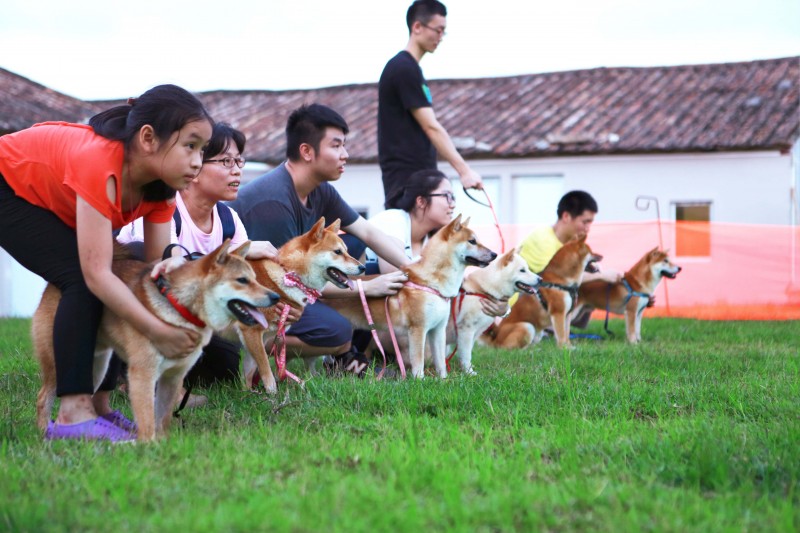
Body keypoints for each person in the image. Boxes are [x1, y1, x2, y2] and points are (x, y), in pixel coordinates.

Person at [0, 84, 214, 442]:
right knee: (82, 279)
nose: (198, 161)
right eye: (190, 146)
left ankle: (100, 406)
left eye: (203, 150)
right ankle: (73, 414)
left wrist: (175, 257)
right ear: (148, 138)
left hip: (51, 199)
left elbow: (153, 259)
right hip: (7, 186)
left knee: (126, 272)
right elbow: (96, 275)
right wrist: (158, 331)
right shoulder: (100, 163)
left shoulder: (161, 186)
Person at [228, 103, 411, 371]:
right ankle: (256, 343)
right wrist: (365, 288)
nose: (345, 154)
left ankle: (349, 353)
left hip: (292, 282)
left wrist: (415, 271)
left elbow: (368, 232)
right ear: (306, 151)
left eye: (344, 145)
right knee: (336, 332)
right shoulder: (274, 202)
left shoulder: (320, 190)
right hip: (260, 294)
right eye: (336, 146)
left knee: (360, 254)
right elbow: (288, 281)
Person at [116, 123, 286, 398]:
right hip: (135, 307)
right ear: (194, 168)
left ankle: (174, 372)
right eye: (226, 161)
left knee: (224, 367)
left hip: (192, 314)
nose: (237, 170)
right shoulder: (165, 210)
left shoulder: (229, 221)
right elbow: (158, 272)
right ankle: (137, 376)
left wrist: (275, 308)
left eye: (239, 161)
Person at [378, 0, 483, 209]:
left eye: (444, 32)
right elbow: (431, 126)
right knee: (411, 240)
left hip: (419, 176)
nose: (441, 37)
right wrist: (464, 171)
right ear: (417, 27)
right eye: (438, 30)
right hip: (406, 180)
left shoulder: (412, 70)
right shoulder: (403, 68)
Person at [514, 190, 622, 327]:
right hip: (519, 312)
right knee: (592, 279)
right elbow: (551, 281)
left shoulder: (570, 245)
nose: (588, 228)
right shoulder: (543, 239)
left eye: (590, 223)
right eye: (585, 222)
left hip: (541, 303)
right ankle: (550, 328)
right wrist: (602, 276)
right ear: (566, 216)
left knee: (593, 276)